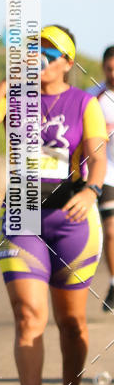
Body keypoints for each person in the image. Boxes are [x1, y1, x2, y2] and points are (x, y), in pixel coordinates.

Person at [0, 25, 107, 385]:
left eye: (48, 52)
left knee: (72, 323)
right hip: (22, 214)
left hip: (71, 217)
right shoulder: (17, 98)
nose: (38, 58)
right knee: (29, 317)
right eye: (32, 51)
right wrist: (11, 80)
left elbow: (98, 156)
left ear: (67, 62)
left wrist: (92, 190)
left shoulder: (83, 102)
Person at [90, 46, 114, 311]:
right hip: (107, 173)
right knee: (110, 230)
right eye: (109, 69)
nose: (113, 73)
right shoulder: (93, 98)